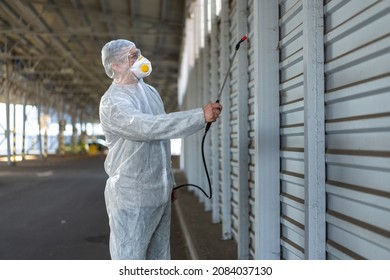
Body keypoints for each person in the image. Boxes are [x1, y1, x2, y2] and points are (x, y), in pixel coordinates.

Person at [99, 39, 222, 260]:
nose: (140, 59)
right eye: (132, 56)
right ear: (115, 65)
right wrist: (198, 116)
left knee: (159, 257)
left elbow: (161, 140)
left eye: (138, 52)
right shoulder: (113, 102)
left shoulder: (151, 92)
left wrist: (169, 181)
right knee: (130, 260)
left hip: (159, 192)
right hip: (132, 196)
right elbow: (148, 128)